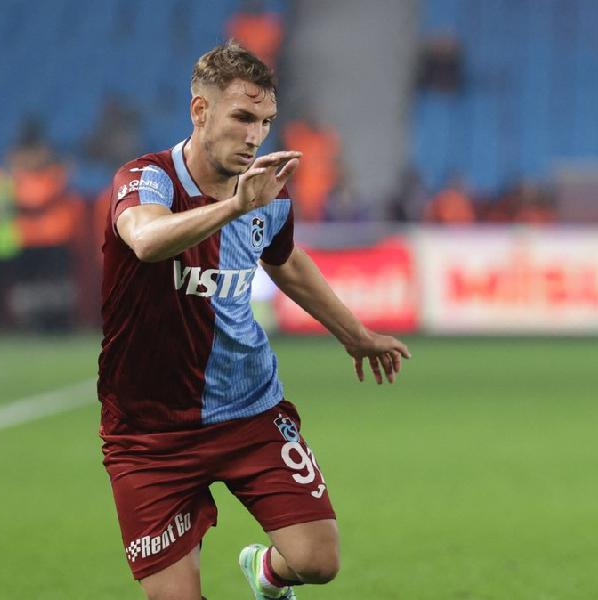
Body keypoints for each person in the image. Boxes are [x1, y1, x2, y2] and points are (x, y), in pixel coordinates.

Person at [98, 41, 410, 600]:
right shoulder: (148, 178)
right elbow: (145, 240)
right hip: (149, 434)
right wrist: (234, 207)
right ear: (201, 111)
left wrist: (355, 335)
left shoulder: (269, 192)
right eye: (242, 117)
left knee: (318, 561)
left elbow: (285, 261)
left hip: (249, 411)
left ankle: (266, 574)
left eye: (265, 121)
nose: (255, 136)